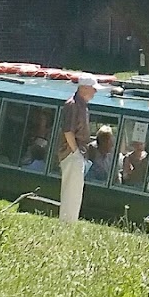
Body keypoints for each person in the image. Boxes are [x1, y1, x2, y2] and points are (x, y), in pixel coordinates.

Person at [57, 76, 97, 223]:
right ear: (84, 88)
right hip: (72, 153)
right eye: (93, 89)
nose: (95, 92)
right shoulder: (72, 105)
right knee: (71, 191)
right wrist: (75, 152)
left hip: (77, 153)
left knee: (75, 192)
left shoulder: (82, 105)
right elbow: (68, 131)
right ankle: (66, 224)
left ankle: (70, 223)